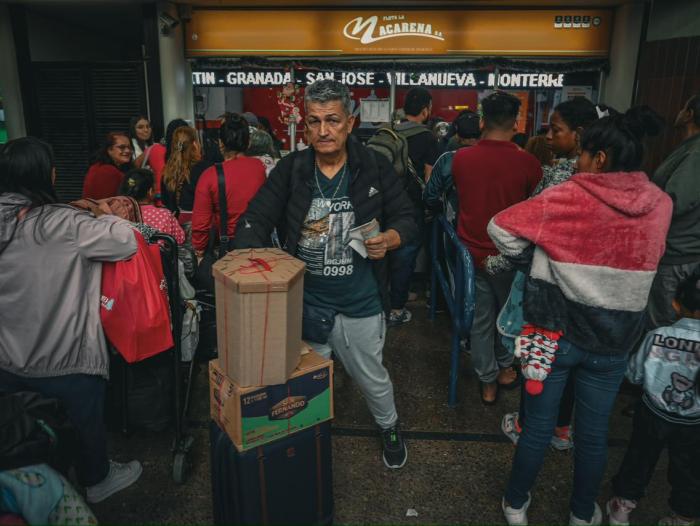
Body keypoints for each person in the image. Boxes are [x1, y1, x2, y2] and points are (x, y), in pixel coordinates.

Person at [490, 106, 672, 526]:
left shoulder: (568, 195)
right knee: (592, 437)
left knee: (536, 428)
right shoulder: (660, 205)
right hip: (613, 342)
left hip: (553, 335)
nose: (578, 164)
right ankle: (580, 513)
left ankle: (517, 505)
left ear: (600, 159)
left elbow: (500, 227)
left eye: (584, 156)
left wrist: (534, 265)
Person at [233, 79, 416, 469]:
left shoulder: (372, 166)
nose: (323, 131)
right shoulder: (293, 168)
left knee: (372, 378)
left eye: (332, 120)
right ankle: (306, 441)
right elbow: (257, 216)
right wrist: (248, 264)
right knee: (304, 385)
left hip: (360, 301)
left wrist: (391, 237)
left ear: (350, 122)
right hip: (308, 302)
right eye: (314, 121)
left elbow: (407, 217)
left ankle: (390, 427)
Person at [0, 137, 142, 504]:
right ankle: (98, 478)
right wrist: (99, 213)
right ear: (48, 174)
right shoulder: (66, 224)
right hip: (66, 358)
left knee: (20, 430)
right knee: (85, 423)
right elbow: (126, 241)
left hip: (8, 358)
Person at [496, 97, 601, 450]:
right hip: (586, 287)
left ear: (580, 134)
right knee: (572, 358)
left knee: (538, 355)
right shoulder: (609, 181)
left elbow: (524, 230)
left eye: (556, 130)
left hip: (548, 283)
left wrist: (503, 261)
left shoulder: (559, 177)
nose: (550, 137)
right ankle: (560, 429)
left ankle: (527, 425)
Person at [451, 91, 542, 404]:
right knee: (509, 316)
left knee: (480, 320)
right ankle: (505, 369)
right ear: (516, 122)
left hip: (470, 256)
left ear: (481, 121)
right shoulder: (529, 163)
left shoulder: (461, 159)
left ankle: (486, 381)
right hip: (510, 258)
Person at [607, 274, 700, 526]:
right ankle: (684, 516)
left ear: (676, 304)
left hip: (653, 414)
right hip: (693, 423)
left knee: (639, 458)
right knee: (689, 470)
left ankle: (621, 509)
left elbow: (635, 374)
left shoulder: (657, 335)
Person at [388, 87, 440, 326]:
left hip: (385, 202)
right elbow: (429, 180)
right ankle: (397, 308)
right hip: (410, 206)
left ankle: (385, 300)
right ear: (425, 110)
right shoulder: (427, 136)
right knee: (405, 255)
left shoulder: (389, 132)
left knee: (384, 252)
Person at [647, 95, 700, 329]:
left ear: (688, 114)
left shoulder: (695, 153)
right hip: (677, 249)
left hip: (678, 252)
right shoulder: (689, 148)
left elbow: (676, 201)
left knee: (663, 328)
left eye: (683, 107)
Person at [191, 113, 266, 256]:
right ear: (248, 142)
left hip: (227, 247)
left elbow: (200, 224)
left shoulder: (209, 175)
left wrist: (199, 250)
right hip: (257, 243)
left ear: (220, 143)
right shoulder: (259, 167)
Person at [423, 110, 481, 223]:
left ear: (457, 136)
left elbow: (430, 197)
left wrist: (443, 208)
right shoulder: (492, 158)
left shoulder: (447, 159)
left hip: (452, 226)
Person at [119, 168, 184, 244]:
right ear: (150, 192)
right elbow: (180, 239)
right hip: (157, 255)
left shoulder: (117, 213)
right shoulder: (164, 215)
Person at [82, 132, 132, 199]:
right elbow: (107, 203)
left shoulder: (98, 166)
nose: (127, 150)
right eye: (122, 147)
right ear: (109, 150)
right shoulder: (109, 171)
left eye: (129, 147)